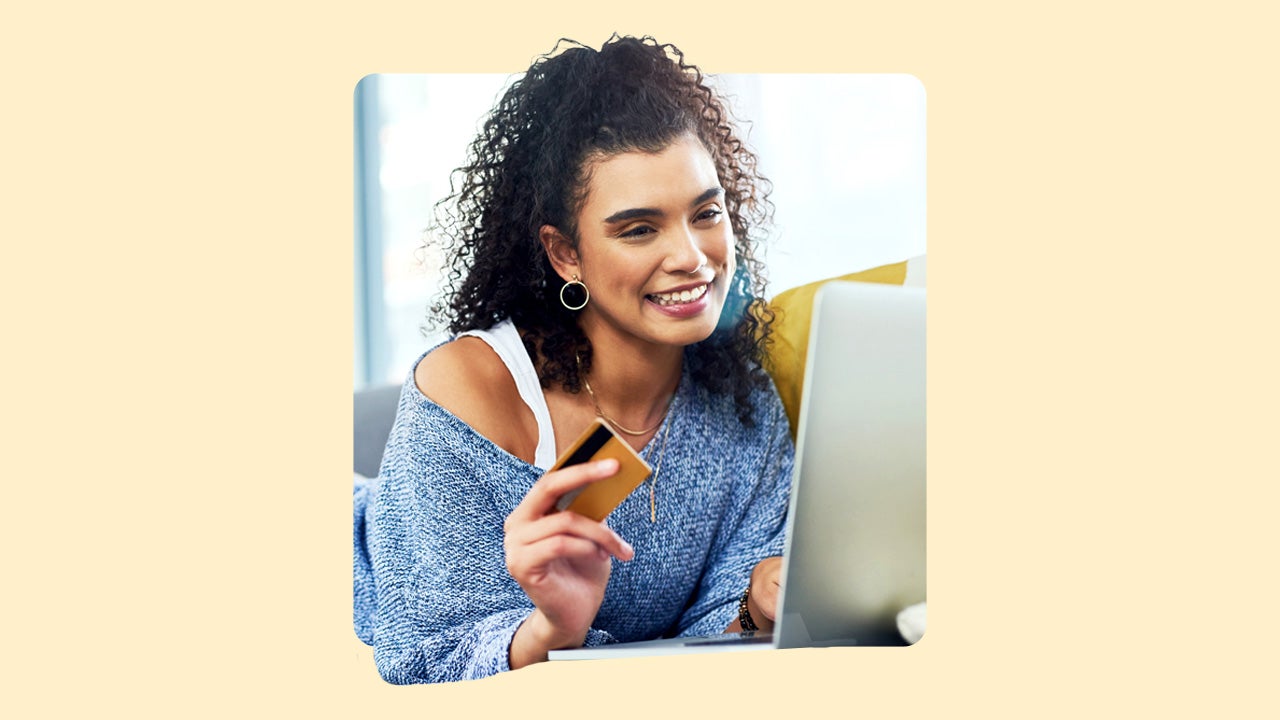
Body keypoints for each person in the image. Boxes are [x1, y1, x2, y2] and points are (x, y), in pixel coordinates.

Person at [353, 34, 793, 684]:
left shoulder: (743, 402)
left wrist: (755, 608)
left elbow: (709, 645)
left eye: (706, 212)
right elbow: (421, 658)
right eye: (640, 228)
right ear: (566, 255)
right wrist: (551, 630)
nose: (693, 257)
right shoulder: (468, 391)